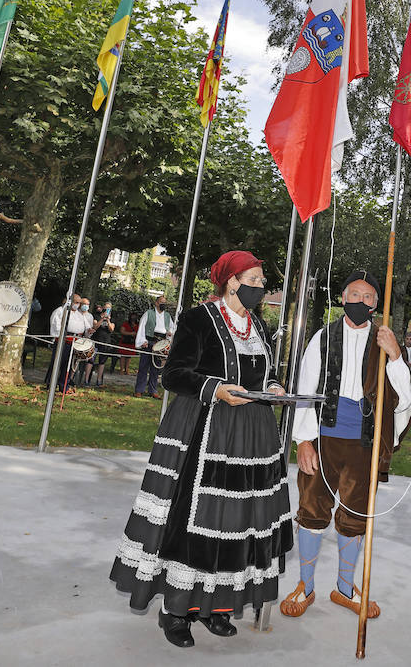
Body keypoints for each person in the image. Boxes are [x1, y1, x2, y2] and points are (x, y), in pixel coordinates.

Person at [110, 250, 293, 649]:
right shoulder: (198, 319)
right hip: (207, 428)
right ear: (232, 282)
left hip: (252, 433)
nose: (261, 287)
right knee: (197, 518)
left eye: (262, 281)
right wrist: (216, 390)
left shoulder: (258, 324)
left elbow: (265, 370)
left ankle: (216, 606)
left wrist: (275, 386)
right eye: (256, 280)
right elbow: (174, 375)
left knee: (238, 519)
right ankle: (177, 610)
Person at [280, 270, 411, 620]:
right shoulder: (323, 338)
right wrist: (304, 440)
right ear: (342, 298)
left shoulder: (385, 342)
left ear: (376, 305)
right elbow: (306, 390)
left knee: (356, 515)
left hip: (364, 444)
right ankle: (305, 587)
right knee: (312, 509)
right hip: (324, 439)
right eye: (355, 294)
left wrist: (396, 356)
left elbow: (404, 397)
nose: (361, 301)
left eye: (369, 297)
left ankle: (344, 588)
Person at [47, 294, 91, 392]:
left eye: (79, 303)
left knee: (69, 366)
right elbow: (55, 325)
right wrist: (60, 336)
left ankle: (64, 386)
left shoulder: (80, 314)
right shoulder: (60, 311)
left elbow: (86, 327)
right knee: (57, 363)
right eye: (76, 302)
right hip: (63, 341)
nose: (78, 305)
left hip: (75, 342)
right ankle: (50, 384)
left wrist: (89, 331)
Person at [134, 295, 176, 398]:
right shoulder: (148, 313)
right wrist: (142, 341)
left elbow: (172, 327)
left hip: (160, 343)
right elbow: (142, 327)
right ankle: (139, 390)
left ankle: (152, 390)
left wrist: (169, 334)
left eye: (164, 302)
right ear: (156, 303)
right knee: (143, 367)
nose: (163, 304)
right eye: (161, 302)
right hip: (148, 342)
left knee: (155, 369)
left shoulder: (167, 316)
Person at [90, 301, 116, 386]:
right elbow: (95, 327)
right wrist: (102, 319)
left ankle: (99, 380)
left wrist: (108, 320)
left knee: (102, 362)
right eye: (106, 308)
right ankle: (87, 380)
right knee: (91, 360)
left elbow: (111, 329)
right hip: (96, 340)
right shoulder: (97, 316)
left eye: (109, 308)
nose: (107, 310)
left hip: (106, 342)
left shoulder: (112, 318)